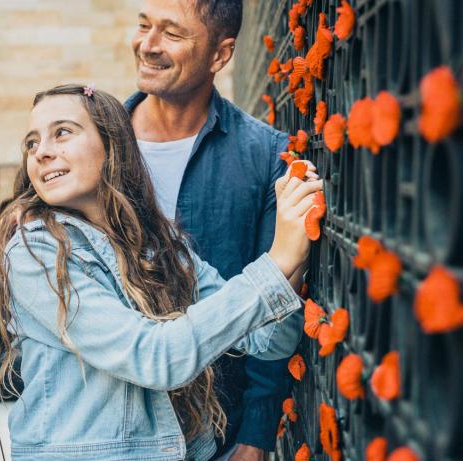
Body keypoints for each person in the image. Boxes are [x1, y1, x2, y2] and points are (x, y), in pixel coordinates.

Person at [0, 84, 322, 460]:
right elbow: (154, 358)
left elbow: (272, 342)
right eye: (31, 143)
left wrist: (294, 258)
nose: (41, 152)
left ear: (113, 144)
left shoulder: (159, 243)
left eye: (62, 132)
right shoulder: (37, 252)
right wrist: (277, 262)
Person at [126, 1, 302, 459]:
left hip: (217, 432)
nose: (147, 45)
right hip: (110, 430)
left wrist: (257, 433)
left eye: (172, 33)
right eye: (144, 26)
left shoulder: (266, 156)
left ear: (220, 56)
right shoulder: (96, 146)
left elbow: (277, 299)